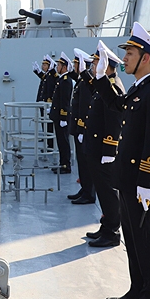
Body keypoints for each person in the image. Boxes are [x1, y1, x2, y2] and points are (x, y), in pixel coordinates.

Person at [93, 22, 150, 299]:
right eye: (125, 53)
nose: (124, 58)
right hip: (128, 180)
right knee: (134, 239)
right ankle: (137, 291)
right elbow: (116, 106)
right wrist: (100, 79)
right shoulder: (138, 90)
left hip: (143, 182)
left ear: (146, 58)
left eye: (130, 53)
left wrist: (148, 181)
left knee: (148, 240)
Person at [83, 42, 125, 243]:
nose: (93, 67)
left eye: (97, 63)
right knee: (102, 190)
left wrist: (109, 150)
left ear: (106, 66)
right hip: (96, 148)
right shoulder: (104, 85)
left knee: (108, 192)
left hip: (104, 150)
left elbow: (115, 121)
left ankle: (112, 232)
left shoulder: (113, 86)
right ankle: (106, 224)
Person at [67, 48, 95, 203]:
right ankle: (84, 189)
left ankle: (89, 193)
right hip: (78, 128)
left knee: (86, 163)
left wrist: (82, 128)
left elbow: (85, 106)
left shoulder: (85, 83)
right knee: (81, 162)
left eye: (76, 64)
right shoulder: (81, 81)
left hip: (83, 128)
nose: (74, 67)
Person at [49, 52, 74, 174]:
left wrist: (63, 117)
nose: (57, 67)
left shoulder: (66, 81)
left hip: (62, 118)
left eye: (58, 65)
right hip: (58, 116)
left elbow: (65, 100)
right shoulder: (61, 80)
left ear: (64, 67)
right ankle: (62, 163)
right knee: (60, 142)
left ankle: (66, 166)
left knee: (64, 142)